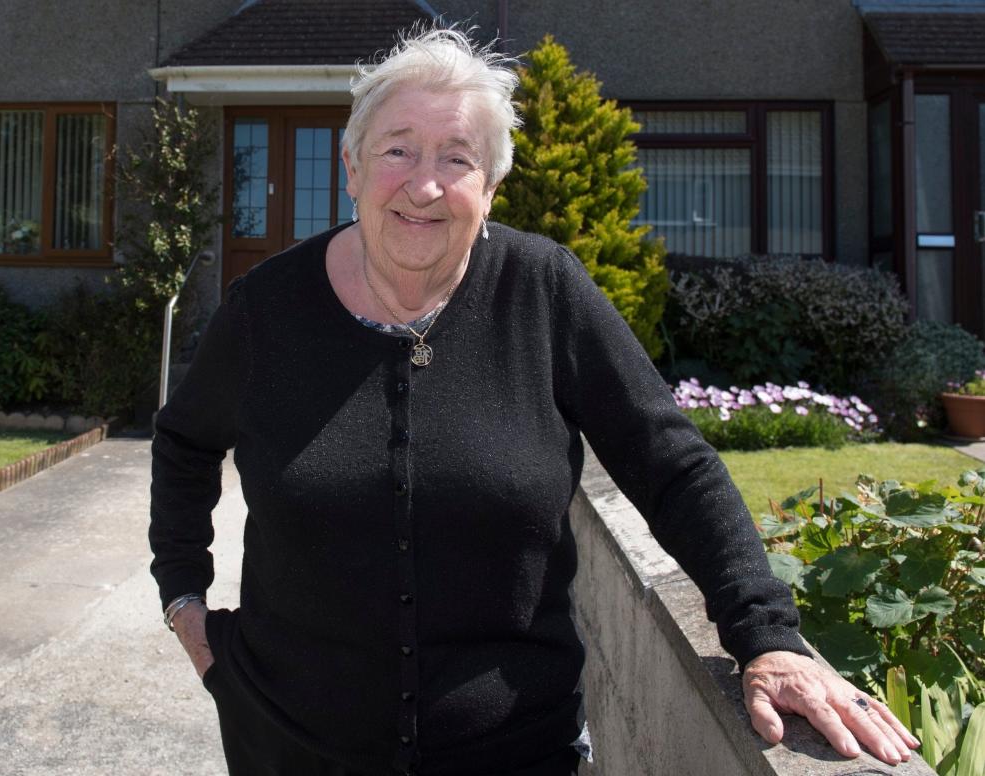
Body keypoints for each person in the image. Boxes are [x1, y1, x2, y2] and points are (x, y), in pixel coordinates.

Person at [149, 27, 919, 776]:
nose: (424, 185)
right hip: (290, 746)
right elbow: (184, 442)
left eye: (458, 158)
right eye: (397, 151)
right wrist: (184, 598)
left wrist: (768, 636)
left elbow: (670, 464)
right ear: (350, 167)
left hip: (515, 751)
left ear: (489, 187)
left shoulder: (544, 291)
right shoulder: (267, 310)